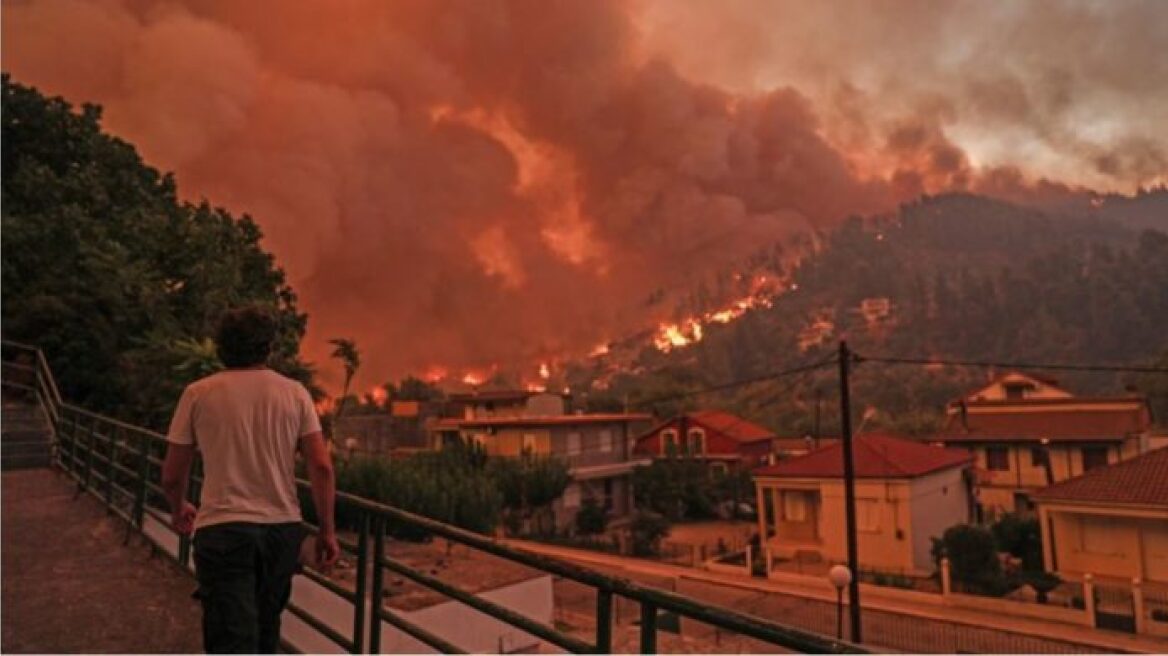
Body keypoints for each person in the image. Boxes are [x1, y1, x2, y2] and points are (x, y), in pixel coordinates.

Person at [161, 306, 339, 654]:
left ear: (220, 348)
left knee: (230, 636)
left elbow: (171, 474)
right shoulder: (295, 393)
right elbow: (321, 467)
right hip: (280, 532)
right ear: (268, 347)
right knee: (266, 629)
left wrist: (178, 505)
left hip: (223, 530)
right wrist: (327, 531)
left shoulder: (198, 393)